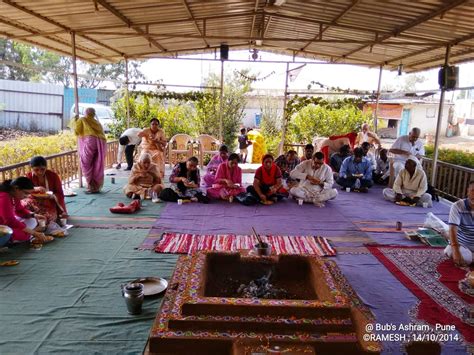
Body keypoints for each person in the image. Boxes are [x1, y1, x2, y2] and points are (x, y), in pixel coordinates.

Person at [0, 177, 51, 244]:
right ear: (16, 188)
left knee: (32, 220)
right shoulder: (4, 197)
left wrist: (34, 215)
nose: (26, 196)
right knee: (20, 235)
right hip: (3, 226)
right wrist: (34, 233)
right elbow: (10, 221)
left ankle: (27, 234)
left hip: (6, 223)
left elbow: (19, 210)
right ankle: (25, 235)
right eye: (25, 193)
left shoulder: (14, 193)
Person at [69, 107, 107, 193]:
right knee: (97, 164)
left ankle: (91, 186)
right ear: (93, 113)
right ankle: (96, 186)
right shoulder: (97, 123)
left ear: (86, 113)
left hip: (90, 141)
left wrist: (75, 121)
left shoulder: (83, 119)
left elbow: (76, 132)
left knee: (85, 164)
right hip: (101, 142)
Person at [23, 156, 68, 228]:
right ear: (31, 168)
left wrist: (52, 196)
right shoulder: (28, 177)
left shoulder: (53, 176)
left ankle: (39, 224)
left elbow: (59, 193)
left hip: (49, 202)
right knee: (24, 205)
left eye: (42, 169)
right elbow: (23, 191)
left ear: (46, 167)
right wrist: (34, 189)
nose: (40, 172)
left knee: (48, 218)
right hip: (34, 202)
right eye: (36, 170)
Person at [444, 181, 474, 266]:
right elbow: (453, 229)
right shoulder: (457, 206)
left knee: (466, 258)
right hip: (463, 245)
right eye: (473, 191)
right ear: (468, 191)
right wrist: (456, 250)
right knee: (453, 252)